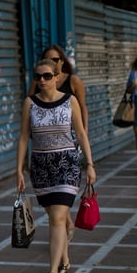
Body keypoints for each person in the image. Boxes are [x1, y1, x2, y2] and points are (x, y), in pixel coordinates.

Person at [17, 59, 96, 273]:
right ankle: (63, 257)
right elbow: (23, 137)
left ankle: (52, 272)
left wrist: (89, 164)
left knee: (59, 217)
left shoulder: (70, 101)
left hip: (67, 163)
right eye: (38, 76)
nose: (42, 80)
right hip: (41, 166)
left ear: (57, 77)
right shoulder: (29, 104)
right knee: (54, 218)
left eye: (47, 76)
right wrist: (19, 170)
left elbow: (81, 134)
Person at [29, 45, 89, 242]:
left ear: (62, 61)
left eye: (55, 59)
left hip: (69, 142)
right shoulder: (40, 80)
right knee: (53, 198)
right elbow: (30, 102)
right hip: (45, 144)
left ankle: (62, 226)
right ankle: (64, 224)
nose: (52, 63)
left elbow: (82, 107)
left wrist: (84, 134)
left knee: (63, 189)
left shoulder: (73, 81)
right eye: (48, 59)